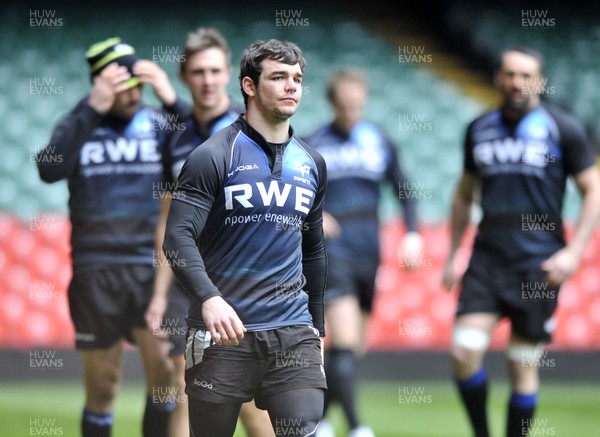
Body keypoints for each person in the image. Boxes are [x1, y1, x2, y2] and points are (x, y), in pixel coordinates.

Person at [162, 39, 328, 437]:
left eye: (297, 79)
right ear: (250, 87)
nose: (291, 86)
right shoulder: (212, 156)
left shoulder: (312, 163)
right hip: (221, 332)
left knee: (301, 426)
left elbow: (314, 249)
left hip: (292, 330)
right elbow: (177, 237)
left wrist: (317, 327)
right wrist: (209, 298)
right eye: (278, 77)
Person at [441, 45, 600, 437]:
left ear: (540, 82)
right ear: (498, 78)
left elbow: (592, 190)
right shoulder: (478, 128)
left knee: (521, 364)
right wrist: (452, 254)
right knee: (463, 352)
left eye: (526, 75)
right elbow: (464, 193)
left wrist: (575, 251)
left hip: (539, 263)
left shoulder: (563, 129)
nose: (517, 82)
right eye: (510, 73)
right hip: (487, 260)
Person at [36, 37, 190, 437]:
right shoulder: (79, 122)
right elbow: (49, 169)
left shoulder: (160, 123)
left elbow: (202, 148)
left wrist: (172, 100)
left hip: (150, 268)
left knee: (165, 380)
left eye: (139, 84)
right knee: (103, 386)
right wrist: (91, 108)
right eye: (125, 85)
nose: (135, 93)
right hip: (96, 268)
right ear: (100, 84)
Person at [144, 27, 274, 437]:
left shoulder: (251, 131)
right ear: (185, 76)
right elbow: (170, 221)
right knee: (186, 386)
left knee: (249, 402)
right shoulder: (175, 138)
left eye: (216, 70)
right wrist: (159, 294)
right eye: (199, 71)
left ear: (231, 77)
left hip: (241, 281)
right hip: (190, 282)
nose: (208, 80)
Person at [305, 69, 423, 437]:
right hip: (332, 253)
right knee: (341, 338)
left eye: (356, 105)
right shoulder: (313, 143)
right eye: (343, 106)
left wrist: (413, 233)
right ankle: (357, 427)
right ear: (332, 103)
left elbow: (405, 190)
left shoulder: (379, 141)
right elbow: (292, 193)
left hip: (370, 253)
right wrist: (316, 215)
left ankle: (320, 421)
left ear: (365, 101)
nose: (350, 112)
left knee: (354, 346)